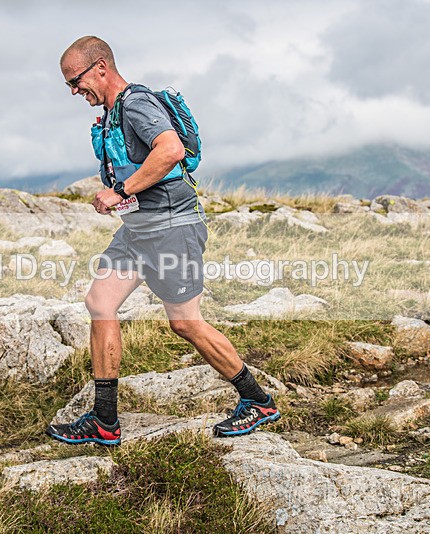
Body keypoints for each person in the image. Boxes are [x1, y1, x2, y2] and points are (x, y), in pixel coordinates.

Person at [47, 36, 279, 446]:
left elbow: (170, 150)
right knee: (100, 303)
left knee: (185, 323)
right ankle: (104, 421)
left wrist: (121, 191)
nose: (73, 91)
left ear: (100, 67)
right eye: (68, 84)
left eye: (75, 80)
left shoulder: (136, 104)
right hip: (138, 230)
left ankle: (257, 401)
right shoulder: (112, 113)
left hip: (173, 228)